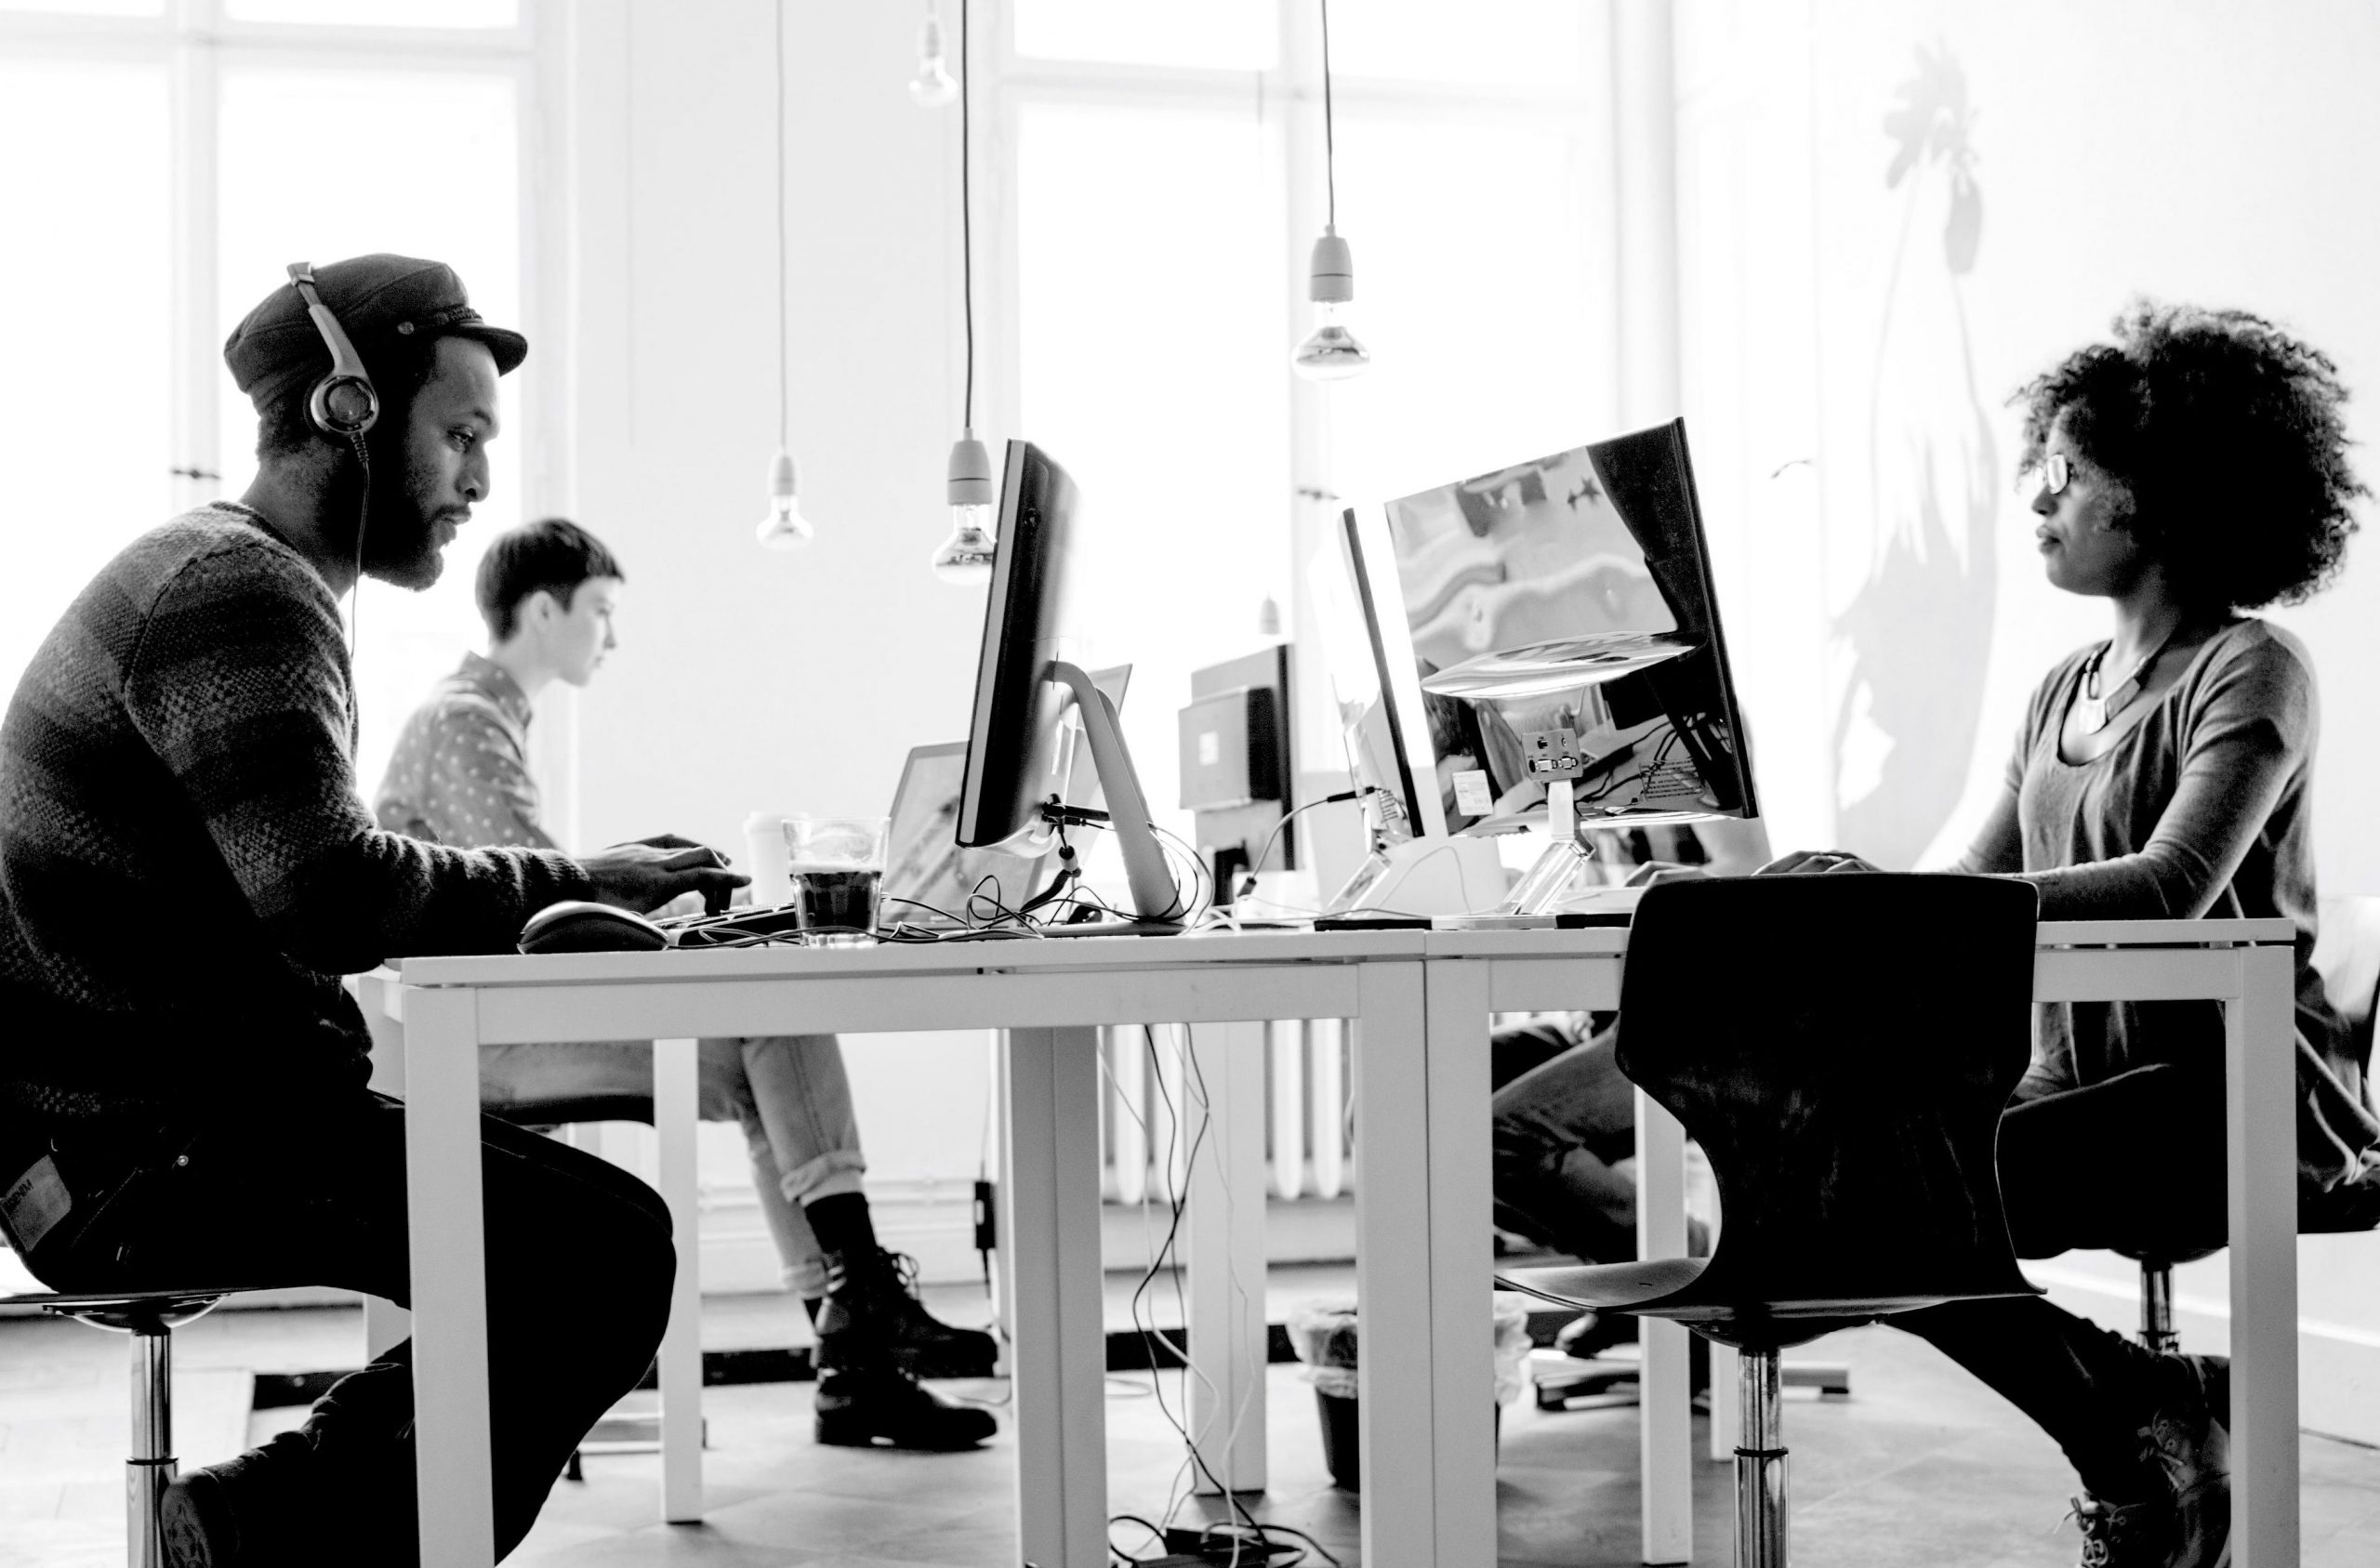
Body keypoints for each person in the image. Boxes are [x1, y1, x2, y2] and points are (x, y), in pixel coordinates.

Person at [0, 255, 747, 1568]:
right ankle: (259, 1530)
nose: (479, 482)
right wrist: (580, 878)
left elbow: (304, 881)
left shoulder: (223, 574)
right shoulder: (241, 588)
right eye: (459, 434)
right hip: (138, 1149)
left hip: (131, 1118)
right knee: (601, 1257)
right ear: (349, 411)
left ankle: (260, 1522)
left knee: (593, 1244)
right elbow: (331, 890)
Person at [1773, 301, 2380, 1567]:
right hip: (2076, 1075)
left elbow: (2171, 884)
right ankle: (2130, 1401)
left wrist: (1901, 908)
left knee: (1884, 1201)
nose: (2035, 499)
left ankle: (2127, 1415)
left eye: (2063, 471)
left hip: (2227, 1095)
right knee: (1853, 1183)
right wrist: (1848, 898)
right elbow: (1972, 889)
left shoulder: (2253, 669)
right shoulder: (2062, 688)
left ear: (2156, 492)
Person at [373, 517, 997, 1450]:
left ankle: (855, 1345)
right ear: (543, 610)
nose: (611, 637)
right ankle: (858, 1326)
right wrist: (668, 906)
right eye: (601, 612)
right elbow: (541, 909)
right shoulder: (464, 721)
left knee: (763, 1040)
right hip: (460, 1040)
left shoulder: (480, 717)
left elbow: (539, 896)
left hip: (483, 1018)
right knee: (768, 1017)